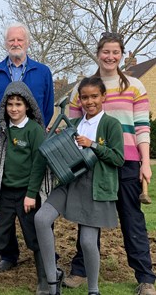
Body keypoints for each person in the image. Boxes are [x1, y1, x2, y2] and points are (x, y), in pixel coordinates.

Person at [67, 33, 156, 295]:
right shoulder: (81, 89)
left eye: (115, 52)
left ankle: (145, 278)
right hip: (92, 162)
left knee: (132, 220)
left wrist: (145, 162)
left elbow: (142, 127)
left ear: (121, 54)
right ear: (98, 53)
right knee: (88, 217)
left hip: (126, 161)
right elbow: (73, 128)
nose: (110, 57)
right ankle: (81, 270)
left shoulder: (135, 86)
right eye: (106, 52)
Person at [35, 76, 125, 295]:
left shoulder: (111, 124)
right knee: (41, 219)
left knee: (86, 241)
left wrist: (92, 144)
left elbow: (118, 159)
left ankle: (93, 289)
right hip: (69, 182)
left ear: (104, 96)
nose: (89, 101)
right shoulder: (74, 123)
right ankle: (52, 279)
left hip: (94, 185)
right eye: (85, 97)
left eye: (94, 96)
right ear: (80, 100)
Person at [0, 21, 54, 272]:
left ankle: (44, 254)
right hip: (3, 143)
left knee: (35, 202)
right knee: (5, 203)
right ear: (6, 43)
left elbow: (46, 108)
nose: (15, 44)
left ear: (27, 43)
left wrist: (35, 132)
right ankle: (9, 254)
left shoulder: (42, 72)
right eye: (11, 40)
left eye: (20, 40)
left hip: (31, 141)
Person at [0, 81, 48, 295]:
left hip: (28, 195)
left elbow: (40, 164)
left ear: (27, 106)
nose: (14, 109)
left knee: (34, 236)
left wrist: (30, 194)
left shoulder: (34, 130)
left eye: (18, 104)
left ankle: (44, 281)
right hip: (6, 194)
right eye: (10, 104)